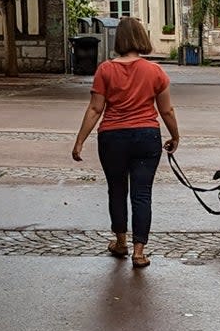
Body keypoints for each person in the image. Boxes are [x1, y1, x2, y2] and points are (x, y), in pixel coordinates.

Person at [72, 17, 179, 269]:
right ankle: (139, 252)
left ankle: (121, 242)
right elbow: (167, 111)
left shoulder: (105, 70)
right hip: (146, 136)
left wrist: (80, 141)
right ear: (141, 38)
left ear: (119, 40)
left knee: (116, 190)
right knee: (142, 194)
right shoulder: (155, 71)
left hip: (112, 137)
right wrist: (175, 136)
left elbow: (95, 108)